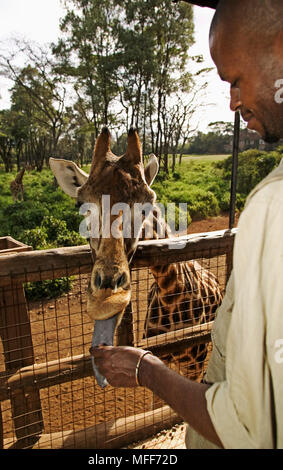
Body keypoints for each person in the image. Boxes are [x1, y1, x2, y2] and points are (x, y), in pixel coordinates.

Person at [91, 0, 283, 449]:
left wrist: (144, 370)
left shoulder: (271, 205)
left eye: (235, 79)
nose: (233, 101)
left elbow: (248, 429)